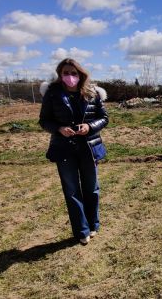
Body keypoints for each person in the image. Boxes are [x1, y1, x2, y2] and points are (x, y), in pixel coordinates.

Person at [39, 58, 109, 245]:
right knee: (71, 191)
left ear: (80, 74)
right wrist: (59, 129)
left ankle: (93, 224)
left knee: (91, 188)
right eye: (66, 73)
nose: (70, 77)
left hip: (88, 147)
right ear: (60, 75)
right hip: (64, 149)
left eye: (73, 73)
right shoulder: (52, 94)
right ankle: (81, 230)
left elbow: (104, 118)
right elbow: (44, 121)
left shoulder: (92, 93)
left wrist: (89, 126)